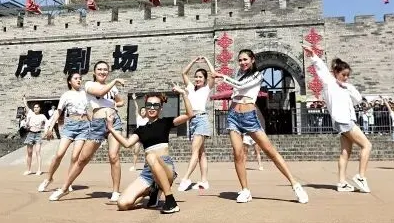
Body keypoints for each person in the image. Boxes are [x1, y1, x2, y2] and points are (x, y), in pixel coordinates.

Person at [213, 49, 308, 204]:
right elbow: (236, 90)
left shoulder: (258, 75)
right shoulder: (239, 75)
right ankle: (245, 190)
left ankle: (295, 185)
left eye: (245, 59)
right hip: (233, 116)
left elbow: (240, 86)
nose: (242, 62)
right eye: (240, 60)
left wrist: (221, 76)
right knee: (238, 154)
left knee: (270, 151)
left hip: (249, 117)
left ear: (252, 60)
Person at [106, 86, 194, 214]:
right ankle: (152, 190)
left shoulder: (165, 122)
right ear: (146, 107)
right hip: (148, 172)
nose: (152, 108)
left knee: (150, 156)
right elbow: (126, 144)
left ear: (161, 108)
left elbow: (189, 114)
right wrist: (111, 128)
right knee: (122, 204)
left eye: (156, 105)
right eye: (149, 105)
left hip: (165, 167)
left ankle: (170, 201)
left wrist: (184, 94)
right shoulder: (141, 130)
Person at [49, 62, 125, 201]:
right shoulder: (90, 84)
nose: (103, 72)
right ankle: (64, 188)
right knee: (83, 159)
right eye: (99, 69)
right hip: (98, 124)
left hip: (114, 121)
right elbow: (100, 92)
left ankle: (116, 192)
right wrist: (114, 81)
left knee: (114, 156)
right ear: (94, 72)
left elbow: (121, 102)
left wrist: (114, 104)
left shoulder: (112, 88)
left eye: (105, 69)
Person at [303, 44, 372, 193]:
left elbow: (358, 99)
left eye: (347, 75)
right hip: (343, 120)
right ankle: (361, 176)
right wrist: (313, 55)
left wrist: (347, 86)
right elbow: (320, 68)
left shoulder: (346, 87)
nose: (346, 78)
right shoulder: (329, 82)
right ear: (335, 72)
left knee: (345, 152)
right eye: (343, 75)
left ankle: (342, 183)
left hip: (346, 120)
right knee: (367, 145)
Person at [38, 72, 90, 193]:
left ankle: (68, 182)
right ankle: (48, 179)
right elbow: (58, 112)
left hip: (83, 127)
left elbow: (88, 111)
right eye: (76, 78)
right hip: (70, 126)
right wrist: (50, 127)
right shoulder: (66, 95)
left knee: (75, 157)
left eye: (80, 78)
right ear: (69, 81)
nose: (79, 80)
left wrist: (93, 124)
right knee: (59, 154)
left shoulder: (85, 94)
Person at [177, 56, 214, 191]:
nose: (198, 79)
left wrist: (206, 60)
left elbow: (213, 74)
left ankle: (186, 178)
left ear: (205, 79)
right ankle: (204, 181)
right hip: (192, 121)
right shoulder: (191, 88)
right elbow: (183, 73)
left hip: (201, 120)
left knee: (195, 150)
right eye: (196, 77)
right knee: (201, 153)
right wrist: (193, 61)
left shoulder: (206, 88)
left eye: (200, 77)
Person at [21, 97, 48, 176]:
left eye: (37, 107)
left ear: (40, 108)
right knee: (29, 153)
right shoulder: (31, 113)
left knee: (38, 152)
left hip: (38, 135)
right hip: (30, 134)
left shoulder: (42, 116)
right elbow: (26, 106)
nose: (35, 108)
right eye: (34, 107)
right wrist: (24, 100)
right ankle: (28, 170)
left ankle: (39, 170)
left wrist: (46, 132)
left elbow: (47, 123)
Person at [130, 93, 149, 171]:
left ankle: (147, 166)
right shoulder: (138, 117)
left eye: (144, 110)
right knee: (136, 151)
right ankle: (134, 166)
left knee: (147, 151)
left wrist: (147, 100)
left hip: (146, 136)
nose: (143, 111)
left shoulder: (148, 118)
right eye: (142, 110)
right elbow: (136, 107)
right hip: (138, 136)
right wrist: (134, 99)